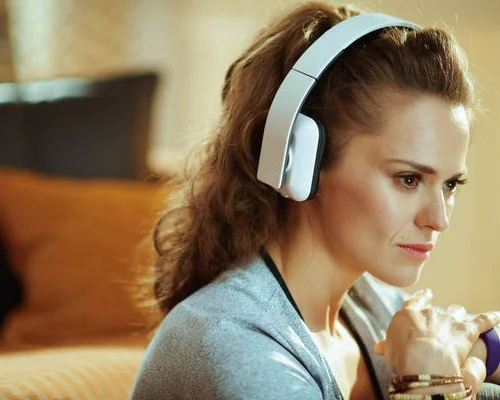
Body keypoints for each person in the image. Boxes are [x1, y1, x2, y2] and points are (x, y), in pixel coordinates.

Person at [130, 2, 500, 399]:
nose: (439, 220)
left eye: (450, 185)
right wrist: (428, 384)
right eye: (408, 179)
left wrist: (482, 352)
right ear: (300, 163)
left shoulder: (369, 308)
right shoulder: (235, 346)